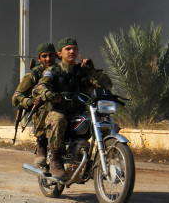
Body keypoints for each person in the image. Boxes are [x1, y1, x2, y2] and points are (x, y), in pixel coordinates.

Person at [32, 37, 113, 180]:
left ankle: (103, 160)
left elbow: (106, 85)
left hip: (80, 112)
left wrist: (92, 70)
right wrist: (48, 93)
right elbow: (40, 86)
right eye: (68, 49)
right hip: (58, 111)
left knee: (109, 125)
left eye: (74, 49)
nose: (72, 51)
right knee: (58, 119)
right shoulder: (53, 71)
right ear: (59, 53)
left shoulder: (82, 71)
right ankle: (56, 160)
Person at [12, 42, 58, 167]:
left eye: (51, 55)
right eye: (44, 56)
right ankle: (42, 145)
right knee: (45, 107)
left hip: (62, 107)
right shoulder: (34, 74)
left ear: (56, 55)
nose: (48, 59)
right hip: (43, 113)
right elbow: (16, 98)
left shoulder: (61, 70)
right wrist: (32, 101)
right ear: (39, 58)